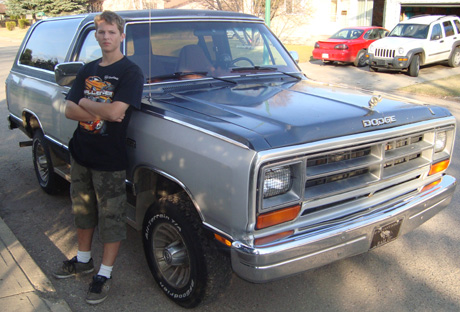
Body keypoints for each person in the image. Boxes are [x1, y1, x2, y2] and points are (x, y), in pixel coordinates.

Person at [53, 10, 144, 305]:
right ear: (96, 35)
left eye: (111, 32)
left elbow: (118, 113)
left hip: (109, 159)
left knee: (111, 217)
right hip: (80, 153)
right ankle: (83, 260)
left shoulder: (130, 72)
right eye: (101, 32)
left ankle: (104, 273)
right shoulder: (88, 68)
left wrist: (84, 101)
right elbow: (68, 110)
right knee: (82, 210)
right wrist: (94, 107)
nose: (106, 37)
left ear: (121, 36)